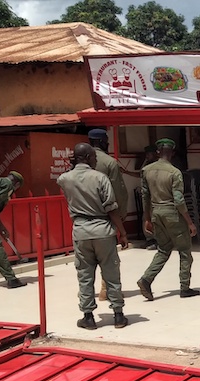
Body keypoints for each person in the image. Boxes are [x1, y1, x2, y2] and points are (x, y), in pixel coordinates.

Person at [57, 143, 129, 330]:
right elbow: (111, 208)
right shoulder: (100, 178)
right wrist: (122, 232)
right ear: (88, 157)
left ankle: (88, 317)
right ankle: (118, 315)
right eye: (94, 157)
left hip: (81, 231)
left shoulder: (64, 179)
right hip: (103, 230)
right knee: (111, 274)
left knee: (85, 276)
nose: (97, 160)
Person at [137, 138, 200, 301]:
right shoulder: (174, 172)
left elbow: (145, 196)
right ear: (172, 153)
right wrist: (190, 222)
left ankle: (146, 279)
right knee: (185, 251)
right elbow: (179, 200)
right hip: (172, 214)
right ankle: (184, 287)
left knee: (163, 250)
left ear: (158, 152)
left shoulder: (146, 170)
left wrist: (147, 218)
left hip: (156, 213)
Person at [88, 128, 129, 301]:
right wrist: (122, 216)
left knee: (86, 261)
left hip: (82, 218)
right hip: (106, 216)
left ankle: (87, 293)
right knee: (109, 257)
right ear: (103, 142)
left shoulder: (78, 164)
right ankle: (106, 291)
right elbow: (118, 191)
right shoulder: (109, 163)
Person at [120, 144, 159, 250]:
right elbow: (140, 175)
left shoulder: (157, 166)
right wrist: (126, 172)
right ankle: (149, 239)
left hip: (154, 196)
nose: (147, 156)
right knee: (145, 217)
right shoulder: (146, 164)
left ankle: (156, 241)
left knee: (154, 217)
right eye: (147, 154)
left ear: (155, 154)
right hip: (146, 195)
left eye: (149, 154)